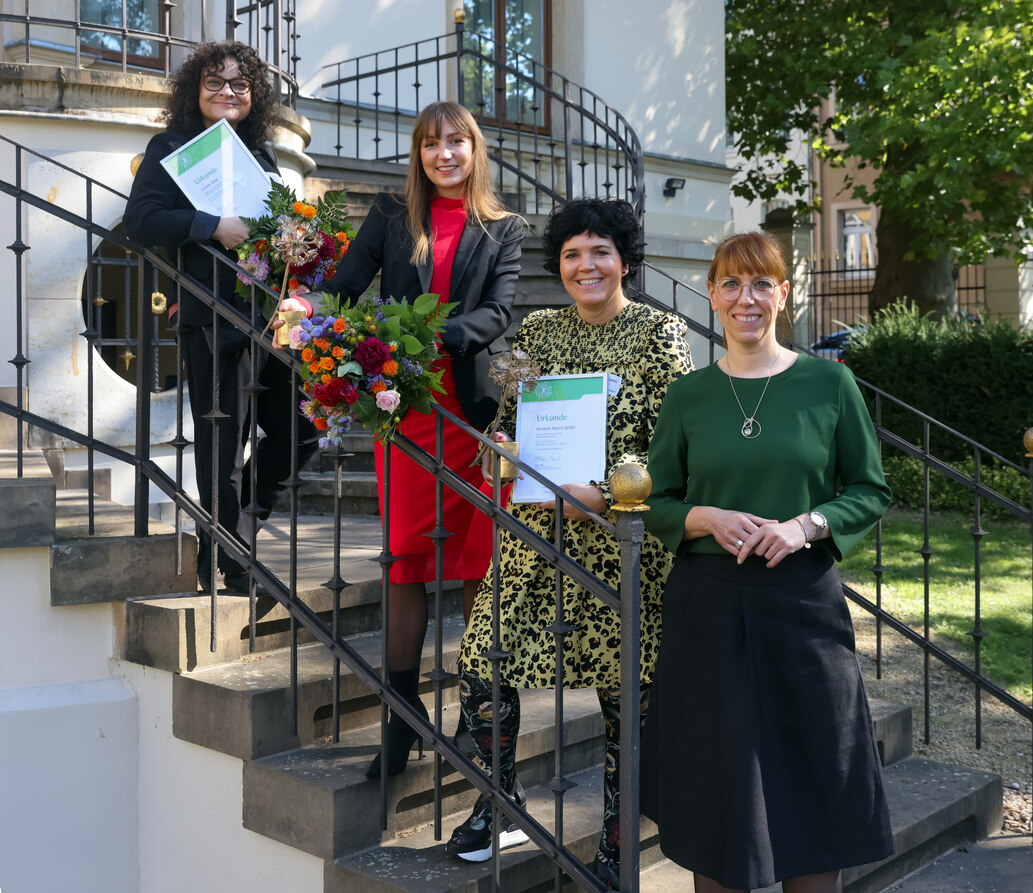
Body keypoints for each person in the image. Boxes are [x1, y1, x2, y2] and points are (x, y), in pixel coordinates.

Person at [447, 198, 694, 887]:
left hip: (623, 540)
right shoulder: (539, 331)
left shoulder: (660, 332)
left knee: (626, 698)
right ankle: (497, 799)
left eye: (599, 252)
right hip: (539, 532)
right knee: (481, 659)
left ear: (623, 259)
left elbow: (677, 447)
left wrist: (613, 494)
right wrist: (501, 448)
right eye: (571, 255)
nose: (585, 265)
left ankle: (618, 838)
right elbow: (507, 423)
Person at [640, 232, 894, 893]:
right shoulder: (687, 395)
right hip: (707, 606)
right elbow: (656, 500)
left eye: (760, 284)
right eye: (730, 283)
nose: (744, 298)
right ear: (711, 294)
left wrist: (805, 525)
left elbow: (868, 490)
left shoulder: (828, 383)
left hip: (802, 603)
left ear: (783, 294)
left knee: (813, 778)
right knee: (715, 791)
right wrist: (705, 517)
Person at [277, 101, 525, 779]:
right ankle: (401, 717)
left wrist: (421, 335)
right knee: (406, 560)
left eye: (456, 142)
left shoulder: (502, 229)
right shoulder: (390, 215)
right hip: (406, 412)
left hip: (472, 417)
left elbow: (497, 313)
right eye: (430, 144)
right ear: (417, 155)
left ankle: (479, 715)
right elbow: (349, 284)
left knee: (476, 561)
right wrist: (306, 299)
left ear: (475, 150)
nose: (443, 154)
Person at [124, 40, 317, 595]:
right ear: (195, 90)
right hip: (210, 314)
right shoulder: (170, 146)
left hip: (263, 312)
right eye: (215, 82)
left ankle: (232, 534)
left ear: (252, 95)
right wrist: (211, 226)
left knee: (303, 427)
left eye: (238, 83)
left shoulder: (258, 154)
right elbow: (141, 220)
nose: (227, 92)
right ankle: (232, 565)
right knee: (222, 444)